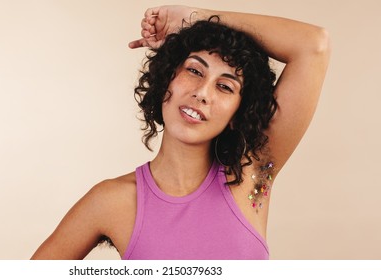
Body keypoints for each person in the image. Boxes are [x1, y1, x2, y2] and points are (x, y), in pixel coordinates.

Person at [31, 5, 330, 260]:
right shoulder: (112, 202)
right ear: (166, 80)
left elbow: (313, 45)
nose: (202, 93)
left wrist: (194, 17)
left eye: (225, 86)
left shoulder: (252, 176)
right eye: (194, 71)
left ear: (238, 114)